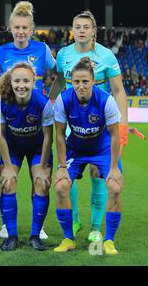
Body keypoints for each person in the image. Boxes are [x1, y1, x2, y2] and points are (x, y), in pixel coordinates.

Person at [48, 10, 128, 242]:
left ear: (94, 30)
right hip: (73, 119)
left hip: (101, 124)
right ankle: (74, 220)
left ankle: (95, 226)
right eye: (77, 27)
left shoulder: (106, 56)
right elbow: (60, 82)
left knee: (96, 171)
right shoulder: (63, 54)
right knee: (67, 171)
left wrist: (123, 124)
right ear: (72, 30)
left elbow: (119, 91)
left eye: (86, 27)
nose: (81, 31)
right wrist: (48, 103)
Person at [0, 1, 55, 240]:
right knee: (6, 178)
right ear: (10, 27)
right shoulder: (3, 52)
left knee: (39, 179)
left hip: (37, 121)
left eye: (25, 27)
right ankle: (5, 225)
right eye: (16, 27)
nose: (21, 31)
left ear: (31, 29)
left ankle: (37, 227)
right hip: (12, 121)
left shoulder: (42, 50)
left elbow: (58, 75)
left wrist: (49, 99)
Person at [53, 57, 123, 255]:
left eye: (85, 81)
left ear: (93, 81)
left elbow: (115, 136)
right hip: (75, 149)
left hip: (102, 149)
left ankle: (109, 240)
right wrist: (61, 167)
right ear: (71, 82)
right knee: (60, 186)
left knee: (115, 187)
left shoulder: (106, 100)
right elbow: (59, 135)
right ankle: (68, 238)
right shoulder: (63, 99)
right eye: (76, 81)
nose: (81, 86)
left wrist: (114, 167)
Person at [0, 62, 53, 251]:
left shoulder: (43, 103)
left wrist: (43, 167)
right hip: (12, 148)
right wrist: (9, 166)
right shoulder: (0, 101)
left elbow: (48, 137)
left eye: (26, 81)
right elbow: (0, 135)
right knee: (8, 181)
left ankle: (35, 235)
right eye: (17, 81)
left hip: (37, 148)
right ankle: (11, 235)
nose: (21, 85)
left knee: (42, 184)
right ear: (10, 82)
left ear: (33, 81)